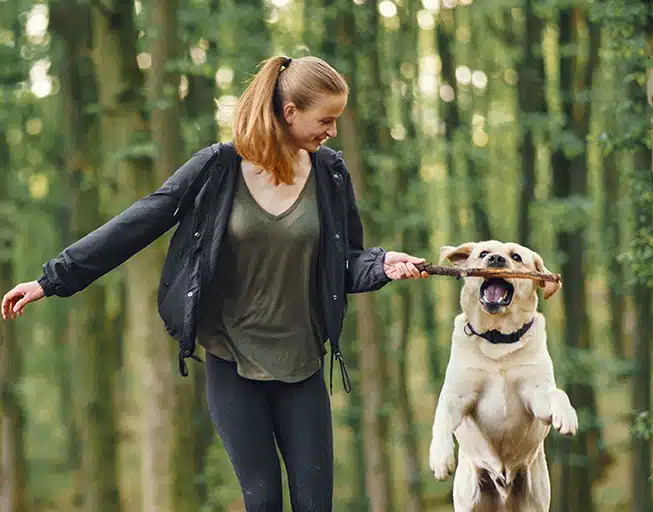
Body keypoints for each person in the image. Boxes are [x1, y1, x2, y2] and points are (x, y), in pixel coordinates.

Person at [1, 55, 428, 511]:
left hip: (301, 361)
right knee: (262, 500)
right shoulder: (219, 168)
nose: (333, 131)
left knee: (314, 502)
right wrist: (53, 278)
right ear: (290, 113)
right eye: (326, 119)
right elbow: (139, 222)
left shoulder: (331, 174)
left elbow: (346, 264)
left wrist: (382, 265)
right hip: (232, 359)